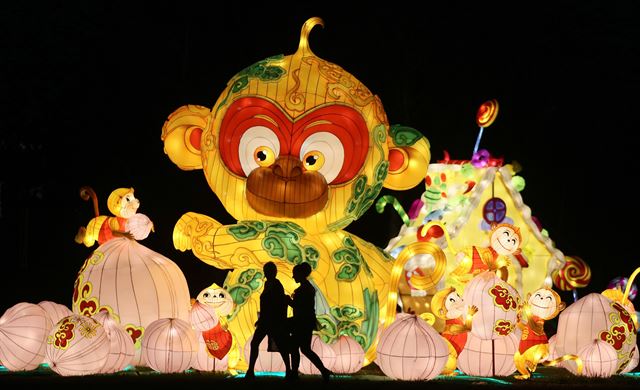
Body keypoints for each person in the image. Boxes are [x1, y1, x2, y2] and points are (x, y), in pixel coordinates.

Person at [245, 262, 292, 379]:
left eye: (269, 270)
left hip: (272, 320)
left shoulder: (276, 284)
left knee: (280, 345)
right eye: (266, 270)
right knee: (257, 343)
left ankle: (289, 370)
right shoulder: (268, 284)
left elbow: (277, 303)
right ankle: (250, 370)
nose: (267, 273)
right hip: (266, 321)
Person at [287, 262, 332, 382]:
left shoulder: (304, 289)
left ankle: (295, 373)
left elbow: (299, 306)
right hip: (305, 321)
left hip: (302, 322)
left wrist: (288, 300)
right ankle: (322, 371)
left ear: (300, 274)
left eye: (295, 274)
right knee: (302, 348)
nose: (293, 276)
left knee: (299, 348)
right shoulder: (308, 288)